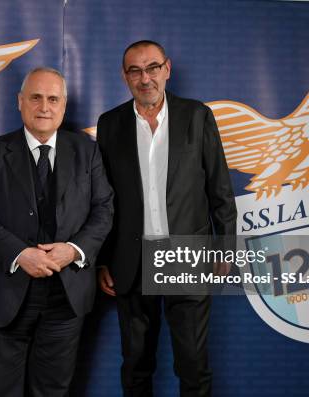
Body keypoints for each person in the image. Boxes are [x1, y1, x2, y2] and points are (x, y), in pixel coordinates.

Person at [96, 40, 237, 397]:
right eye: (135, 71)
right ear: (124, 76)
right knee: (136, 365)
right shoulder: (110, 124)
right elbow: (103, 200)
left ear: (167, 69)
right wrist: (102, 260)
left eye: (153, 68)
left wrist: (226, 245)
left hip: (187, 255)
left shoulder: (197, 115)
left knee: (192, 365)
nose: (146, 79)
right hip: (131, 260)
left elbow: (220, 187)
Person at [0, 67, 114, 397]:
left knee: (52, 390)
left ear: (64, 105)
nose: (44, 107)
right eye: (35, 97)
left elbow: (104, 209)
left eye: (53, 99)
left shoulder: (87, 152)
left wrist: (74, 250)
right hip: (5, 292)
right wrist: (20, 254)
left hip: (66, 295)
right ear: (20, 102)